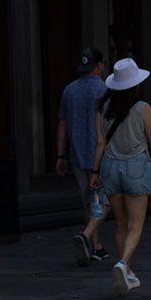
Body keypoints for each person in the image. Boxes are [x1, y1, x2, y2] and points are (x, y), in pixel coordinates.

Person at [90, 57, 151, 295]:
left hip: (110, 166)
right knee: (136, 224)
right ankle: (123, 264)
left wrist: (94, 171)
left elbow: (100, 142)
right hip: (136, 167)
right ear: (135, 84)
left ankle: (127, 272)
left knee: (120, 223)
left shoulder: (102, 108)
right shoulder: (143, 108)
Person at [53, 46, 109, 265]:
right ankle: (93, 242)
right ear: (100, 65)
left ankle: (95, 244)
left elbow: (62, 125)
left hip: (76, 153)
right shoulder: (104, 90)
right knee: (102, 200)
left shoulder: (69, 90)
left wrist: (60, 155)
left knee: (87, 200)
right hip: (99, 154)